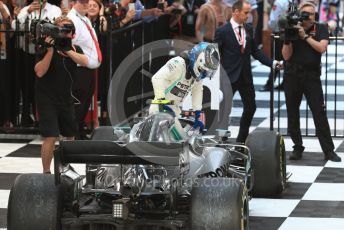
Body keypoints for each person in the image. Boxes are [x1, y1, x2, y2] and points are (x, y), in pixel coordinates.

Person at [214, 0, 282, 143]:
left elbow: (255, 52)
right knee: (224, 110)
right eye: (246, 12)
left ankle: (241, 140)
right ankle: (222, 139)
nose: (249, 15)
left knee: (251, 107)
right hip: (228, 77)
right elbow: (216, 55)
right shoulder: (222, 31)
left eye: (249, 12)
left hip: (245, 77)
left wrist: (273, 63)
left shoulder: (249, 28)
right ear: (236, 12)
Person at [282, 1, 341, 162]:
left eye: (312, 14)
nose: (309, 17)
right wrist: (288, 38)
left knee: (319, 112)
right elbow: (286, 56)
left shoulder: (320, 28)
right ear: (300, 14)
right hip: (292, 75)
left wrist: (305, 36)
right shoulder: (292, 27)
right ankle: (297, 147)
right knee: (292, 112)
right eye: (306, 14)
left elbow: (322, 48)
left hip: (312, 77)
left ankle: (328, 150)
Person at [34, 16, 88, 173]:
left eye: (69, 30)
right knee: (50, 136)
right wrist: (51, 51)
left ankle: (65, 169)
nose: (65, 33)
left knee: (70, 136)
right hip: (47, 98)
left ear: (73, 33)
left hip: (66, 98)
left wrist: (68, 51)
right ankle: (46, 172)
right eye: (62, 30)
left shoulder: (75, 48)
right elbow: (39, 72)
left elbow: (85, 61)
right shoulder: (44, 48)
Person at [149, 42, 220, 139]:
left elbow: (197, 91)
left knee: (184, 141)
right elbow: (157, 78)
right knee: (181, 142)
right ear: (198, 61)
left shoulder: (197, 75)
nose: (204, 74)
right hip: (160, 109)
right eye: (203, 70)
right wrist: (162, 103)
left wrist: (197, 114)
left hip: (174, 111)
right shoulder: (177, 63)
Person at [68, 0, 102, 139]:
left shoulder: (84, 19)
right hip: (79, 68)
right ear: (74, 2)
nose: (86, 4)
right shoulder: (72, 19)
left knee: (84, 102)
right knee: (78, 103)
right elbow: (69, 43)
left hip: (88, 68)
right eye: (82, 2)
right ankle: (73, 134)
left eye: (87, 1)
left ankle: (79, 131)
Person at [259, 0, 289, 91]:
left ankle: (270, 83)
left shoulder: (278, 2)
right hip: (288, 33)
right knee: (286, 59)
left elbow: (273, 21)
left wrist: (270, 26)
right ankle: (285, 83)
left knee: (275, 59)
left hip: (279, 33)